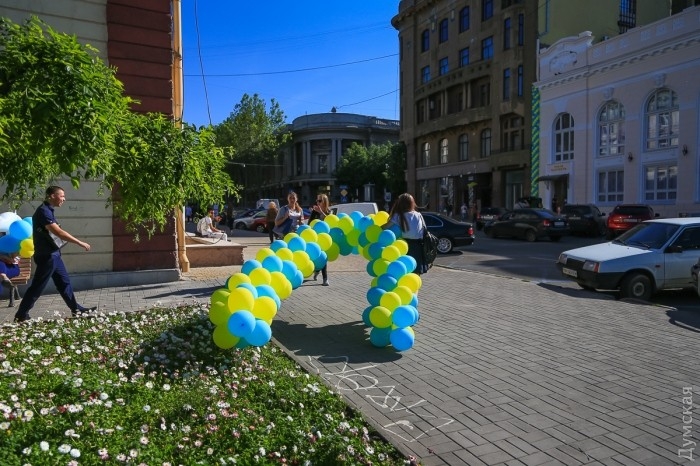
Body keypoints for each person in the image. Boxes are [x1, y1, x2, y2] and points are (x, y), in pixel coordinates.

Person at [14, 186, 97, 323]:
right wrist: (79, 242)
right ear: (52, 196)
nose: (64, 199)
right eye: (61, 196)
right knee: (38, 286)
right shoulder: (43, 211)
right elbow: (58, 232)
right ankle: (21, 314)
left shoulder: (48, 211)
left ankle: (76, 310)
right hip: (47, 256)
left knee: (64, 283)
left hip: (54, 255)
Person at [382, 193, 428, 275]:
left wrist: (377, 228)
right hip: (418, 246)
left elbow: (386, 227)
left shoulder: (398, 215)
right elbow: (424, 229)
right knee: (416, 272)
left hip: (403, 246)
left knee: (404, 270)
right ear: (412, 203)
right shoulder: (418, 215)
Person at [309, 194, 331, 286]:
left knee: (324, 258)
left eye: (320, 201)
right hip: (315, 238)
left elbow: (329, 221)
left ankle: (325, 279)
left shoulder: (329, 212)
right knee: (317, 256)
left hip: (325, 238)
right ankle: (317, 270)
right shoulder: (315, 212)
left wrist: (321, 212)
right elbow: (310, 223)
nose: (317, 203)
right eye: (317, 201)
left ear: (325, 202)